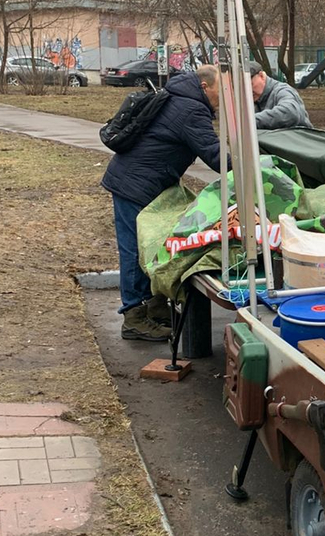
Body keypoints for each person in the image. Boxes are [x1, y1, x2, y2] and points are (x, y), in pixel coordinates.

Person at [101, 65, 225, 341]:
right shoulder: (191, 110)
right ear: (205, 87)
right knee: (135, 250)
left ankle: (155, 307)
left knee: (156, 244)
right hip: (134, 185)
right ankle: (133, 317)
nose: (224, 96)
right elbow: (217, 158)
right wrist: (251, 160)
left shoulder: (179, 97)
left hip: (145, 182)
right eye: (222, 90)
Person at [248, 61, 312, 130]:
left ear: (261, 76)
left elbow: (290, 113)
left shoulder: (282, 91)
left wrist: (250, 121)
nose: (248, 91)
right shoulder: (253, 100)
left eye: (251, 84)